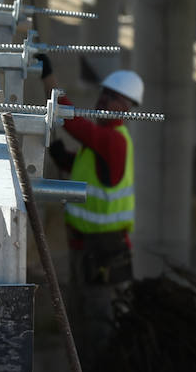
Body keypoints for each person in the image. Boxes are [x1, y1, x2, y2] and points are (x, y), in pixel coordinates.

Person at [44, 58, 143, 363]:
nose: (104, 101)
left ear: (127, 107)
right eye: (103, 94)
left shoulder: (113, 140)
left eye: (113, 97)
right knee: (81, 317)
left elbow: (73, 121)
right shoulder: (101, 144)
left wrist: (48, 79)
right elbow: (88, 171)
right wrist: (64, 159)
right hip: (88, 247)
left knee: (98, 322)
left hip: (103, 250)